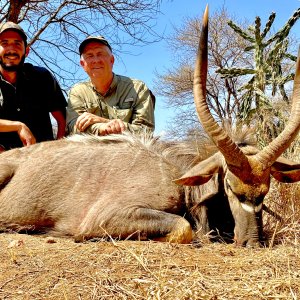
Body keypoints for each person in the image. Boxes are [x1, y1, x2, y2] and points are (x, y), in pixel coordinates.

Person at [66, 36, 155, 136]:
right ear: (83, 64)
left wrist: (105, 122)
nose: (96, 60)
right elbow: (73, 128)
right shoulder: (77, 92)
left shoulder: (137, 88)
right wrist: (102, 128)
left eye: (100, 54)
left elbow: (145, 132)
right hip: (89, 149)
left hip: (128, 149)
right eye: (90, 55)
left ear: (112, 60)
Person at [0, 22, 67, 151]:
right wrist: (18, 126)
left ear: (27, 50)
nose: (11, 49)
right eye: (4, 43)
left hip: (41, 157)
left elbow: (62, 119)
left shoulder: (42, 76)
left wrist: (58, 149)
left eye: (17, 43)